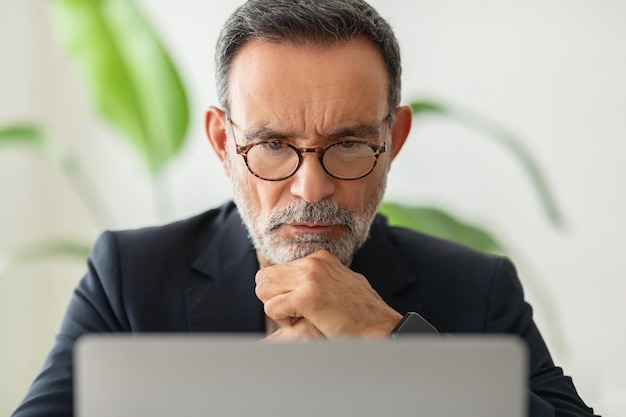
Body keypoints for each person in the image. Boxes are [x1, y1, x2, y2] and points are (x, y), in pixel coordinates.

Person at [13, 0, 597, 416]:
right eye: (272, 145)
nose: (311, 190)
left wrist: (387, 339)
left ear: (393, 139)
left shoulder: (478, 288)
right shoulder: (129, 276)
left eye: (347, 145)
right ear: (223, 143)